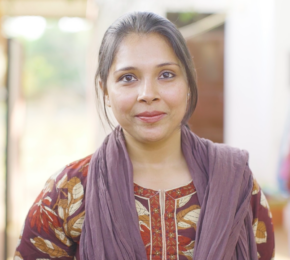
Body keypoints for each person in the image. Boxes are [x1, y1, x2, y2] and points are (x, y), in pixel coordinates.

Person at [15, 12, 275, 260]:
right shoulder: (68, 192)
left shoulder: (236, 183)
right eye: (128, 77)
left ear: (188, 83)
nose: (148, 93)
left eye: (166, 75)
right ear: (105, 90)